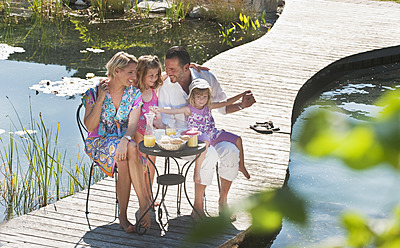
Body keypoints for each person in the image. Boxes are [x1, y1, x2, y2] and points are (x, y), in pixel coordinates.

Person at [158, 46, 256, 219]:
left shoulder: (206, 77)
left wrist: (242, 104)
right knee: (208, 153)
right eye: (166, 68)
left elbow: (222, 107)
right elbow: (167, 120)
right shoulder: (166, 85)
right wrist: (177, 137)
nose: (167, 73)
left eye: (172, 69)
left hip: (209, 134)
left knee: (232, 151)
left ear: (187, 67)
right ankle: (198, 206)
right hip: (183, 140)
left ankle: (223, 202)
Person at [82, 51, 150, 233]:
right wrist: (101, 100)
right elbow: (90, 127)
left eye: (135, 73)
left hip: (125, 143)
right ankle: (144, 204)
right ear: (117, 71)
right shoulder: (93, 93)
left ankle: (124, 215)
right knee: (131, 149)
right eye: (130, 72)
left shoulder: (134, 94)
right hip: (100, 143)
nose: (134, 77)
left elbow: (133, 125)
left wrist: (124, 140)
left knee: (128, 151)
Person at [154, 78, 251, 185]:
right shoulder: (188, 109)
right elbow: (173, 111)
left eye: (204, 97)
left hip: (213, 134)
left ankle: (241, 165)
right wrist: (160, 109)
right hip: (199, 135)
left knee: (237, 139)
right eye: (198, 97)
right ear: (193, 97)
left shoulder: (208, 106)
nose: (201, 100)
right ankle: (197, 171)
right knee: (205, 143)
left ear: (208, 97)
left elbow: (226, 102)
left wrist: (241, 95)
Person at [134, 55, 165, 200]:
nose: (154, 78)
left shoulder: (154, 88)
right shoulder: (134, 91)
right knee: (142, 166)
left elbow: (170, 74)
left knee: (151, 165)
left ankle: (149, 195)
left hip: (152, 133)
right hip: (137, 133)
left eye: (156, 75)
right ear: (140, 74)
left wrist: (192, 66)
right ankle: (143, 197)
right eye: (150, 75)